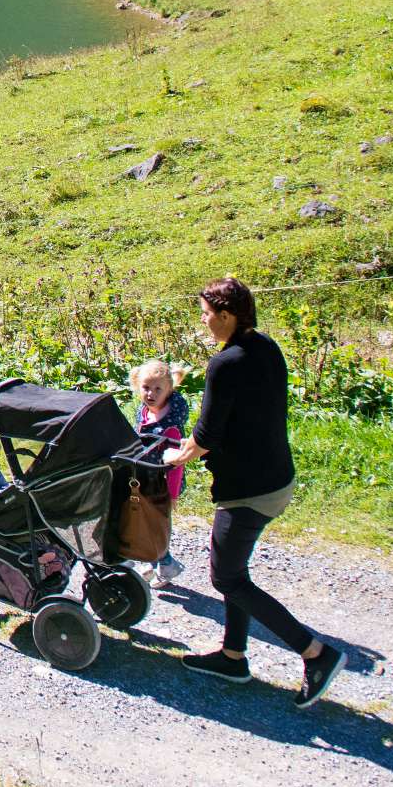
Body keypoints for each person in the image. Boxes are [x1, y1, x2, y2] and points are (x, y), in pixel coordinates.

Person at [162, 277, 344, 707]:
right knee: (236, 572)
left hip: (249, 489)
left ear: (227, 316)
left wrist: (175, 456)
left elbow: (206, 435)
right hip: (277, 476)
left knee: (226, 577)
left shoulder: (225, 363)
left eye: (207, 314)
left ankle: (316, 653)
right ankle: (232, 656)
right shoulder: (265, 347)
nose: (204, 321)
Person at [128, 358, 189, 588]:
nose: (150, 394)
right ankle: (152, 561)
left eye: (157, 389)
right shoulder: (144, 412)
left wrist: (172, 495)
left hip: (162, 484)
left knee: (155, 525)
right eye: (146, 387)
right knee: (143, 521)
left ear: (169, 390)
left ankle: (161, 562)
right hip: (144, 479)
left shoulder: (170, 425)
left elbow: (176, 464)